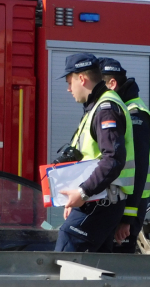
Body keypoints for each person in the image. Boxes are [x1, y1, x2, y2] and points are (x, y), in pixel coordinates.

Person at [54, 53, 136, 253]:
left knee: (65, 255)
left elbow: (113, 159)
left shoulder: (105, 109)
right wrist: (76, 195)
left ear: (82, 79)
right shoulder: (97, 107)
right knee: (96, 265)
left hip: (99, 201)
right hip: (98, 200)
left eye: (69, 82)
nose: (68, 89)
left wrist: (83, 193)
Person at [98, 57, 150, 254]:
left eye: (99, 85)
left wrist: (127, 218)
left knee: (118, 264)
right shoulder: (124, 111)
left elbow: (139, 169)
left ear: (112, 84)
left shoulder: (135, 115)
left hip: (130, 205)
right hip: (122, 203)